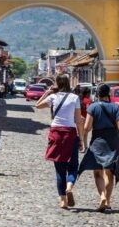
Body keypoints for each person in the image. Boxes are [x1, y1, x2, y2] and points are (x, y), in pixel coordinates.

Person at [78, 83, 119, 212]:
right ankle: (107, 200)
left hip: (98, 141)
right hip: (112, 141)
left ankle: (102, 196)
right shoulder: (115, 107)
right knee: (110, 172)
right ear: (108, 94)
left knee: (97, 173)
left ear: (97, 94)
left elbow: (87, 128)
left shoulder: (93, 107)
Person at [36, 75, 85, 209]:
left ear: (57, 84)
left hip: (56, 133)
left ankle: (63, 200)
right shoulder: (74, 98)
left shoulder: (53, 97)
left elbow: (37, 105)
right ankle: (69, 186)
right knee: (73, 166)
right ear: (69, 83)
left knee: (59, 169)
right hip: (70, 133)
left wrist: (47, 92)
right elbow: (78, 120)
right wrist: (81, 140)